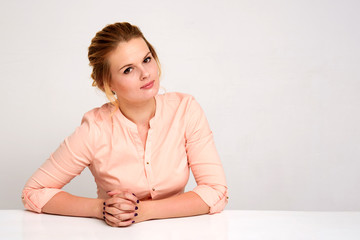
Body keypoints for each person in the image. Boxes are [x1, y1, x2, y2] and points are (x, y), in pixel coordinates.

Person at [21, 22, 228, 227]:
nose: (145, 73)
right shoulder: (94, 129)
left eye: (147, 60)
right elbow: (33, 193)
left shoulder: (185, 110)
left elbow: (216, 191)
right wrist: (100, 208)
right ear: (106, 83)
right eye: (128, 70)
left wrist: (142, 211)